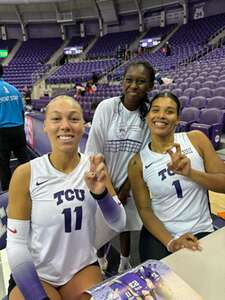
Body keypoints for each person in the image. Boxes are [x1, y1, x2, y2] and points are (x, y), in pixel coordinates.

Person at [6, 95, 126, 300]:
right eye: (56, 119)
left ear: (83, 126)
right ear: (44, 126)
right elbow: (16, 245)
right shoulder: (26, 174)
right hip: (38, 273)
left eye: (73, 118)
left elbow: (119, 222)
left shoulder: (94, 167)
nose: (65, 126)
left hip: (81, 268)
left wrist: (102, 194)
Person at [128, 91, 225, 261]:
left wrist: (191, 173)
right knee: (163, 285)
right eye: (155, 110)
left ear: (178, 118)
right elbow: (144, 209)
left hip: (200, 229)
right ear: (148, 116)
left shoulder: (196, 140)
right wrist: (171, 243)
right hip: (161, 234)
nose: (161, 116)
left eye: (169, 111)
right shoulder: (137, 163)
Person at [85, 61, 155, 274]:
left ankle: (125, 262)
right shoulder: (107, 107)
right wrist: (108, 189)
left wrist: (124, 190)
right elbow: (94, 150)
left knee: (125, 225)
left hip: (130, 182)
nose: (134, 85)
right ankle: (100, 258)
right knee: (100, 224)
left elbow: (141, 157)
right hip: (101, 179)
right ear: (122, 82)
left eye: (141, 81)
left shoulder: (149, 115)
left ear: (150, 86)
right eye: (129, 80)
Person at [0, 63, 30, 191]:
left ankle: (7, 191)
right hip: (18, 129)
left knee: (3, 164)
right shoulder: (14, 89)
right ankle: (35, 183)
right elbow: (22, 112)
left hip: (2, 132)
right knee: (25, 159)